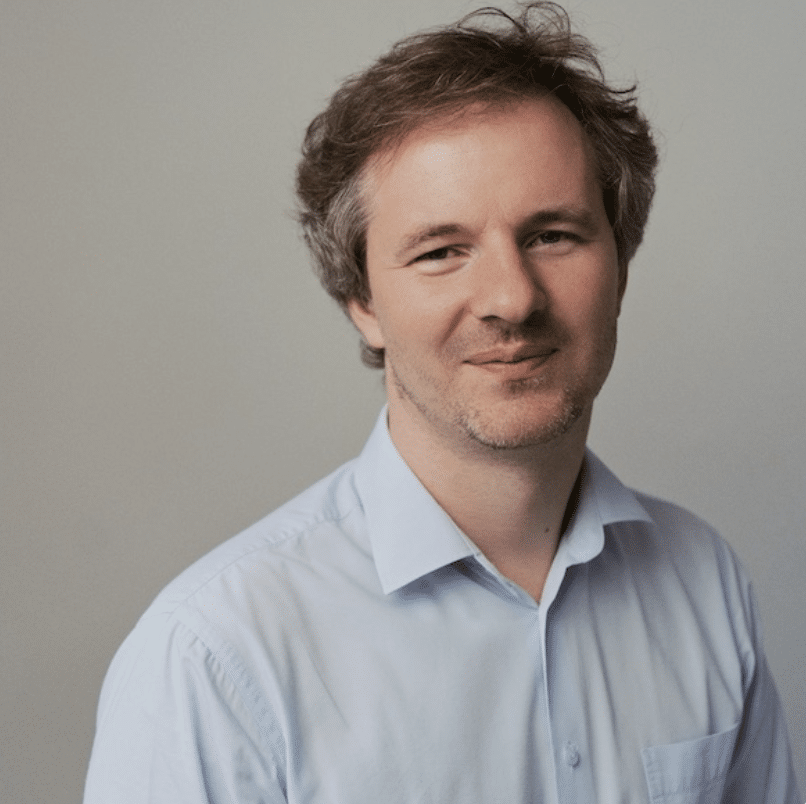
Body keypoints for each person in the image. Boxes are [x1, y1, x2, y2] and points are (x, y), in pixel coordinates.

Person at [84, 3, 801, 802]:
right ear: (360, 300)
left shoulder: (704, 584)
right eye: (441, 251)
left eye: (553, 235)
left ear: (621, 265)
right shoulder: (217, 655)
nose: (510, 298)